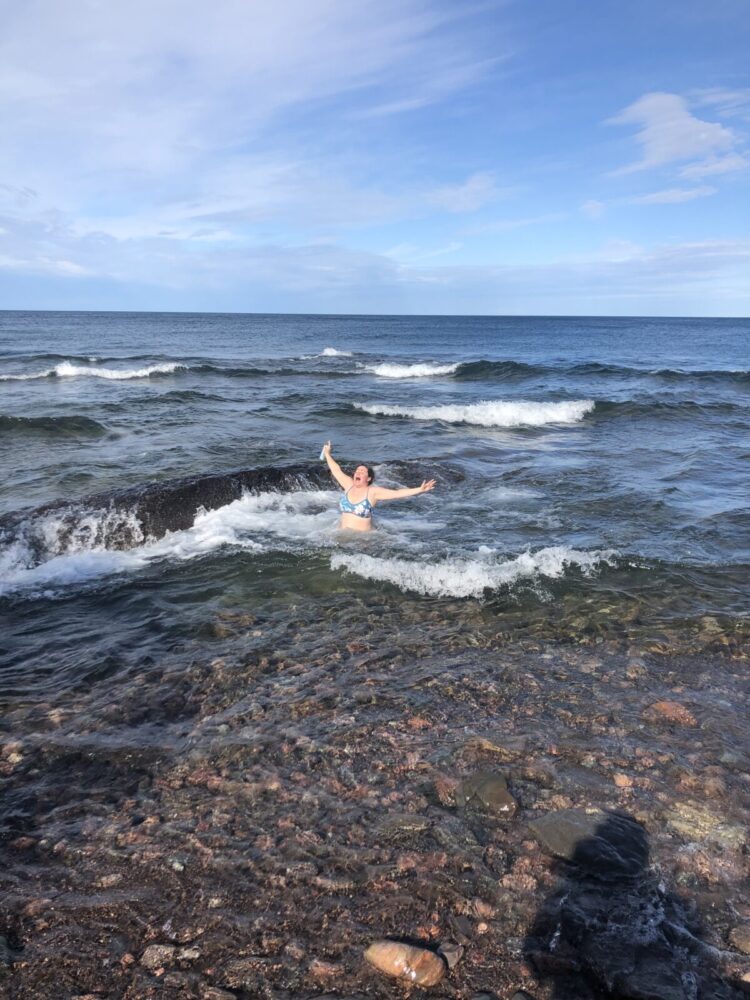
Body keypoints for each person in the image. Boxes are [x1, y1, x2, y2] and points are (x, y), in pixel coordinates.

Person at [321, 441, 435, 533]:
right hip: (342, 535)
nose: (358, 473)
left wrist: (419, 490)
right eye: (357, 471)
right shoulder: (349, 485)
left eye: (362, 472)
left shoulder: (372, 492)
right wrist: (327, 454)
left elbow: (397, 493)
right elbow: (336, 470)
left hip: (363, 540)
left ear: (369, 478)